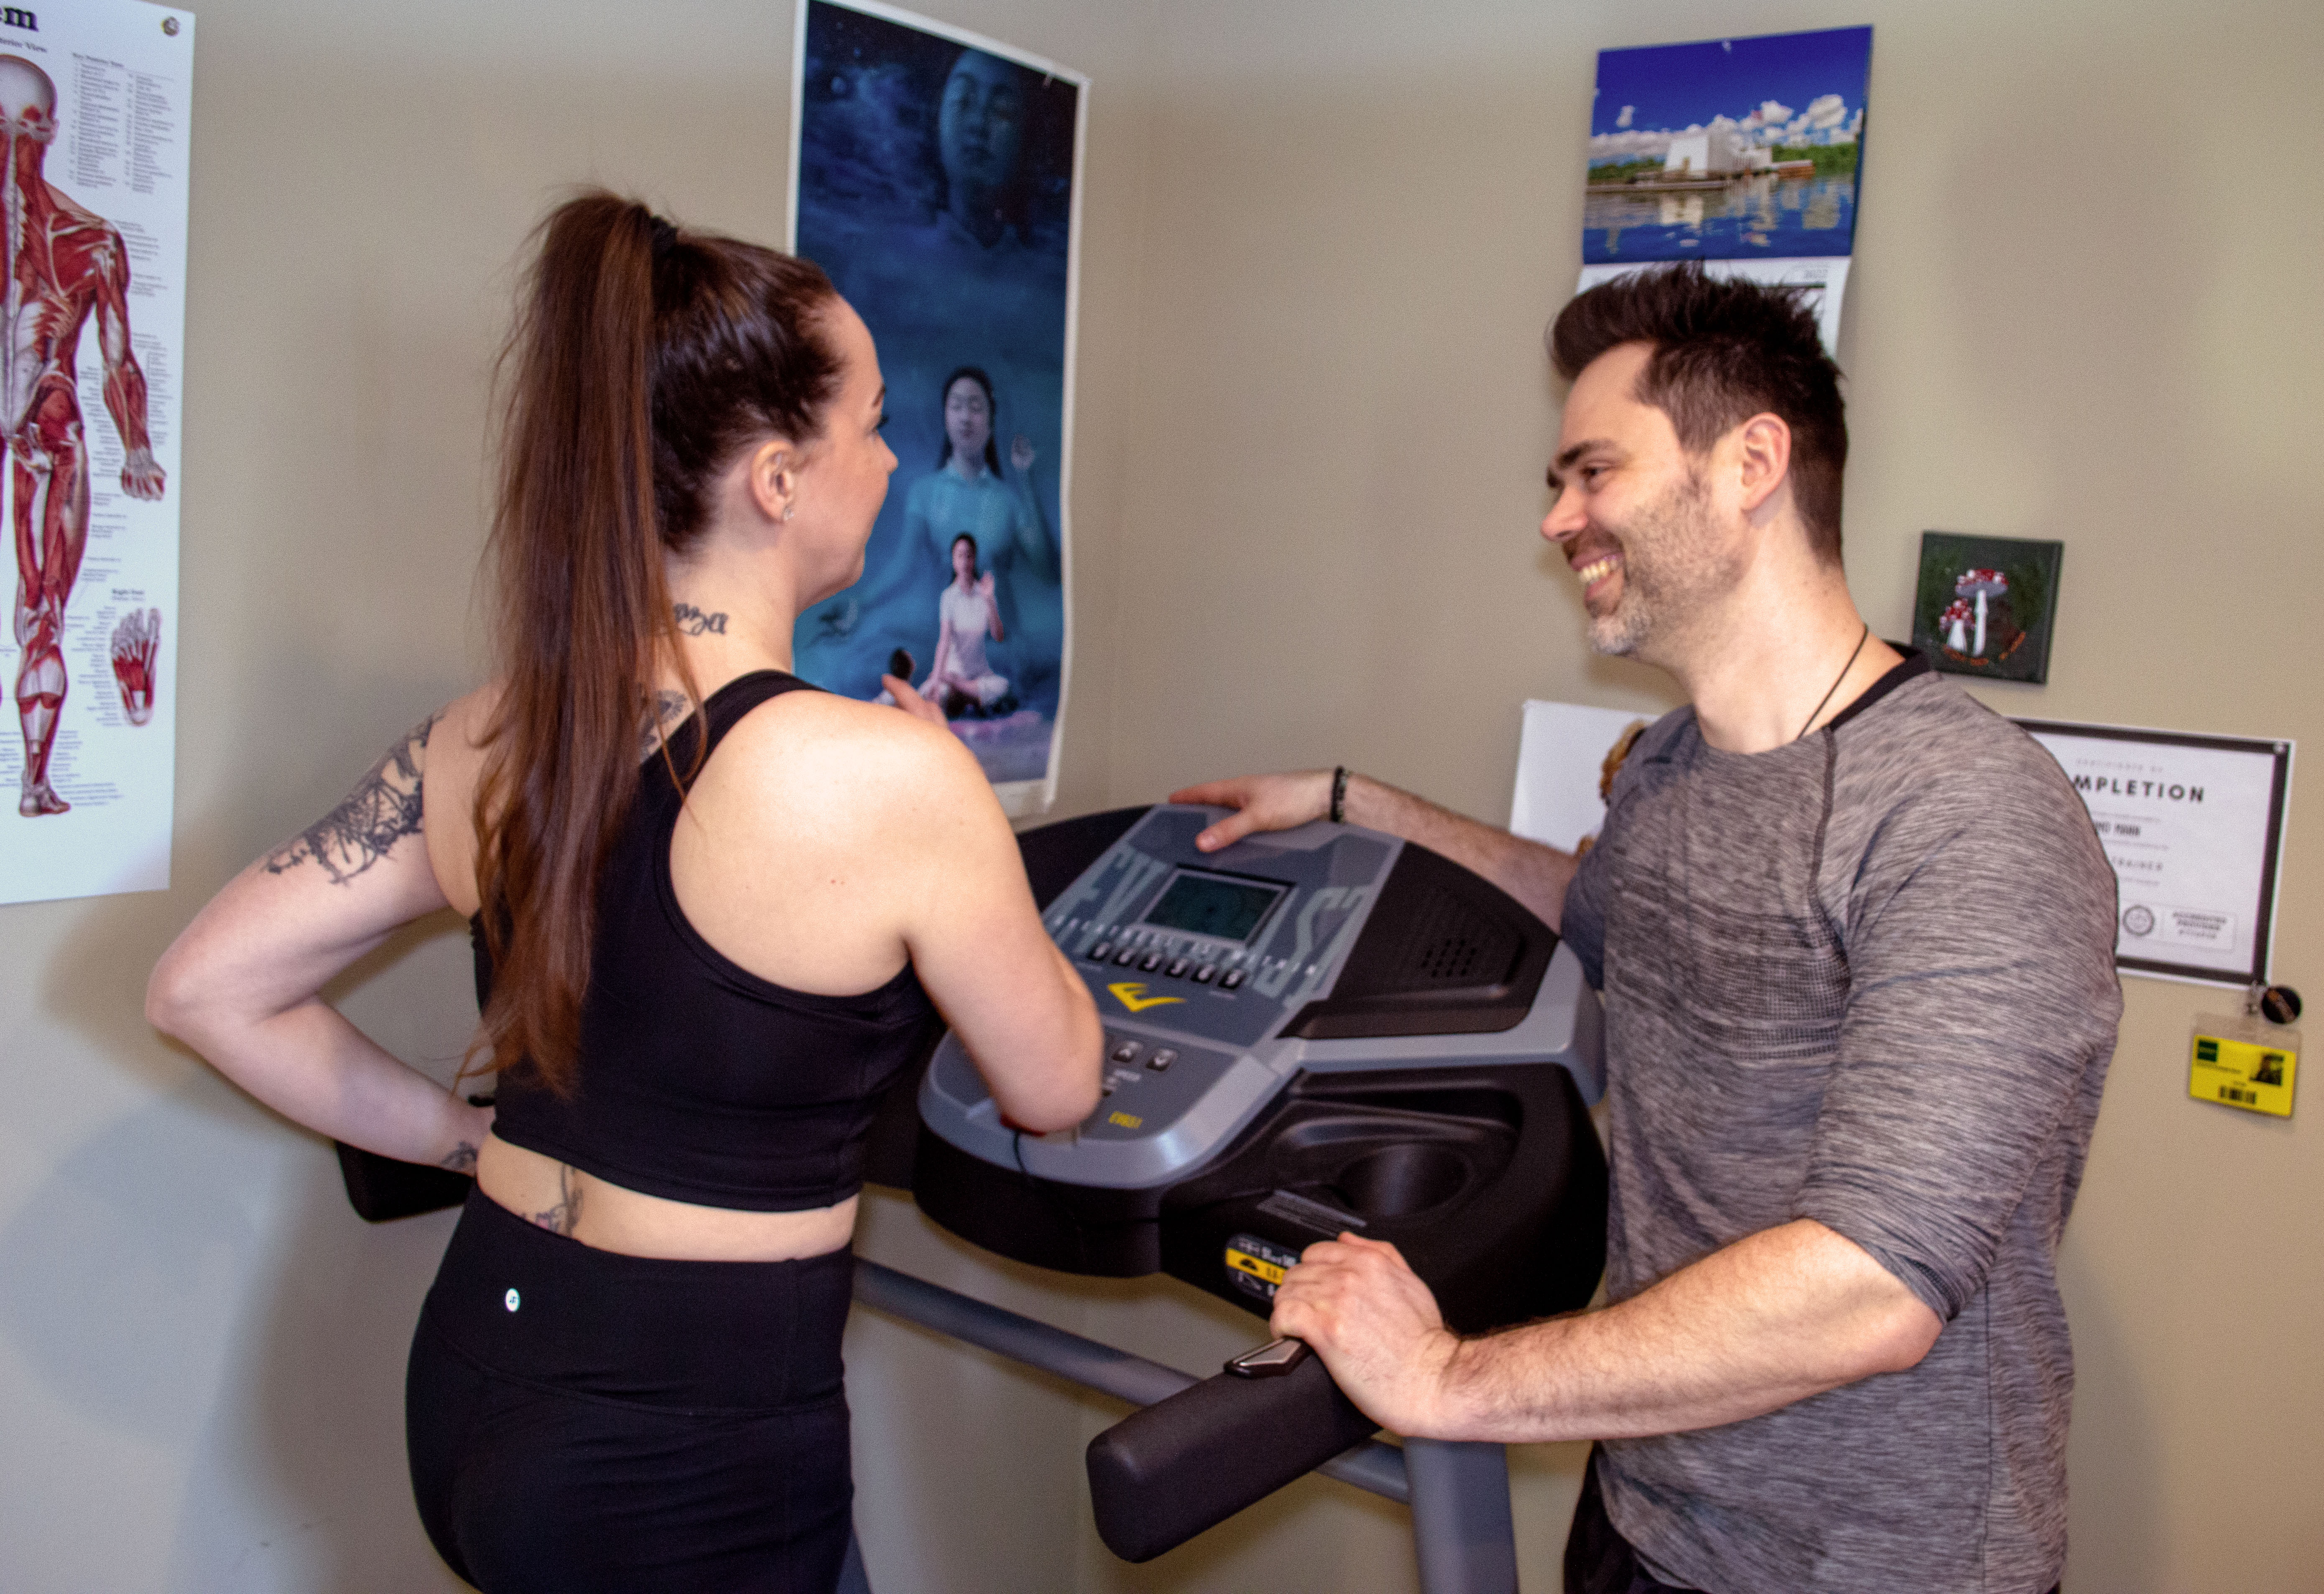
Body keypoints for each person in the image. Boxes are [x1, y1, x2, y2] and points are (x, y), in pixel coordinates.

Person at [146, 194, 1102, 1593]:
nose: (893, 459)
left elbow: (204, 989)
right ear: (776, 478)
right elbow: (1057, 1084)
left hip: (469, 1383)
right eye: (872, 424)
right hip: (676, 1466)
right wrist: (951, 792)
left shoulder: (485, 734)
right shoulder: (891, 779)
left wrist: (465, 1142)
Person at [1173, 263, 2119, 1594]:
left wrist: (1442, 1375)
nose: (1557, 518)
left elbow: (1871, 1285)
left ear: (1748, 463)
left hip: (1865, 1563)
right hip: (1642, 1510)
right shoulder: (1674, 766)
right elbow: (1602, 920)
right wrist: (1350, 803)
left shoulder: (1961, 810)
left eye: (1591, 472)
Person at [2, 54, 168, 815]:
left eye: (27, 130)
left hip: (50, 425)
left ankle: (35, 782)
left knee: (43, 615)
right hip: (44, 425)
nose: (13, 150)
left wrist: (137, 445)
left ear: (51, 133)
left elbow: (117, 358)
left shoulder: (92, 241)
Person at [921, 533, 1010, 715]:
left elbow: (999, 637)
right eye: (960, 556)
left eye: (969, 556)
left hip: (979, 675)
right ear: (954, 561)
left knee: (1003, 687)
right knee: (928, 694)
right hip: (952, 672)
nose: (964, 562)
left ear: (974, 559)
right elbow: (944, 641)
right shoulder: (948, 597)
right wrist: (936, 679)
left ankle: (961, 690)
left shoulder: (985, 593)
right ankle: (971, 697)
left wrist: (989, 600)